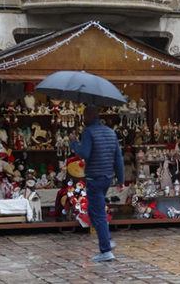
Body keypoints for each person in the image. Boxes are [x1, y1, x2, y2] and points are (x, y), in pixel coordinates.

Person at [69, 105, 124, 262]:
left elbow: (84, 153)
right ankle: (106, 237)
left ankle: (105, 250)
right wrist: (120, 180)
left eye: (84, 115)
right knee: (93, 211)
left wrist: (74, 143)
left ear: (88, 116)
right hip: (107, 177)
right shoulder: (110, 132)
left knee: (98, 213)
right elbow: (118, 158)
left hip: (94, 178)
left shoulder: (88, 132)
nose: (83, 118)